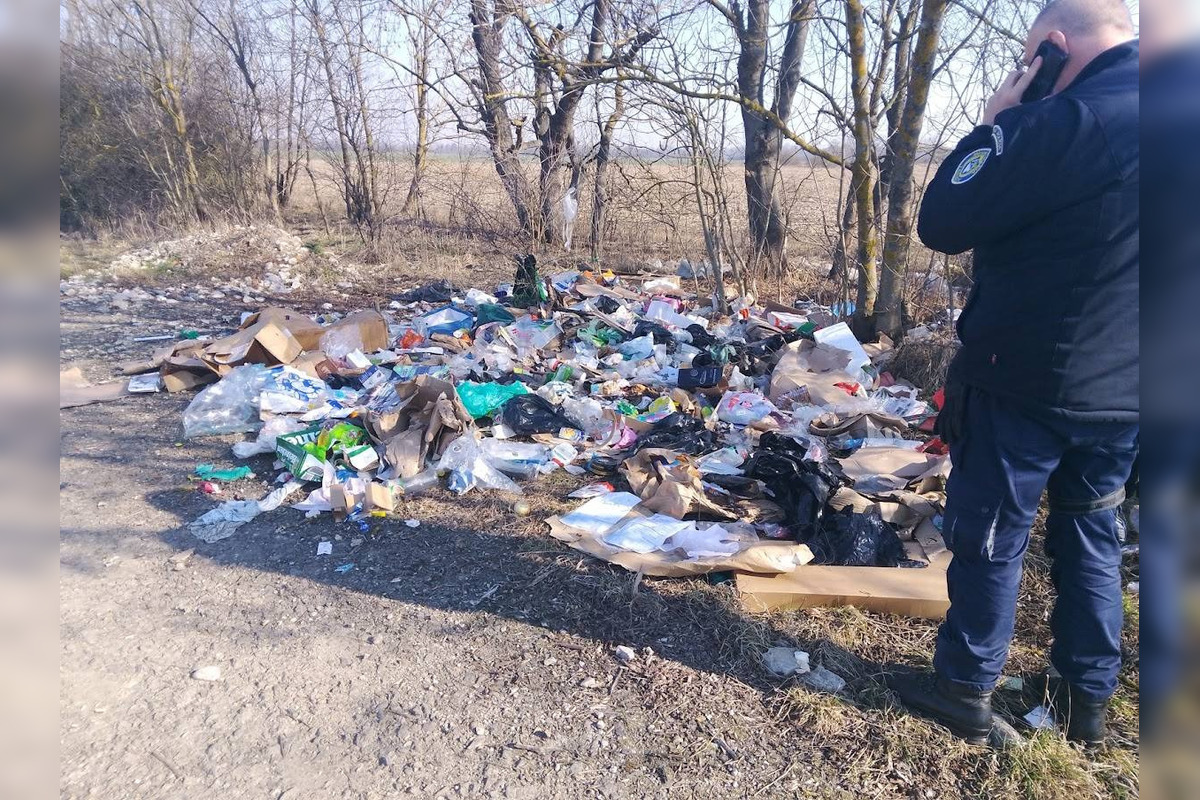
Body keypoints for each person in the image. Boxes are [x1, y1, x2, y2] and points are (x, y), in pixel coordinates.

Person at [889, 0, 1138, 747]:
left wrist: (996, 122)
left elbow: (945, 218)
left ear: (1053, 48)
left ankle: (964, 688)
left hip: (1026, 377)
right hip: (1134, 386)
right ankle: (1083, 702)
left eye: (1031, 57)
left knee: (993, 532)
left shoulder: (1062, 122)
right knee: (1092, 532)